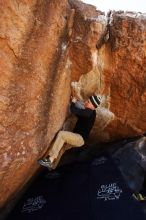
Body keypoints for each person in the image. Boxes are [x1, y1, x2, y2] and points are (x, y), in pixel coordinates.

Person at [38, 94, 101, 170]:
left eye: (88, 102)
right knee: (62, 147)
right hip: (79, 139)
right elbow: (79, 114)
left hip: (79, 138)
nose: (86, 102)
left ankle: (49, 160)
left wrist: (73, 102)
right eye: (87, 101)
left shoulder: (89, 112)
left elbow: (73, 110)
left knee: (62, 135)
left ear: (93, 105)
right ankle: (52, 167)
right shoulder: (91, 113)